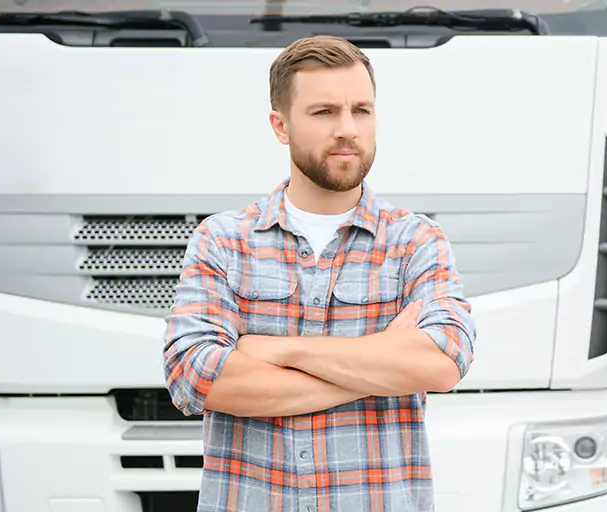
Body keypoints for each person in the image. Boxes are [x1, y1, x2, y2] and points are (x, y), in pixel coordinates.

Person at [162, 35, 477, 512]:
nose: (347, 129)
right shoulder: (223, 240)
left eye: (362, 110)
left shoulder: (415, 241)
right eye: (324, 112)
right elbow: (195, 376)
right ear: (280, 125)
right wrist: (380, 364)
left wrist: (280, 349)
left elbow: (443, 361)